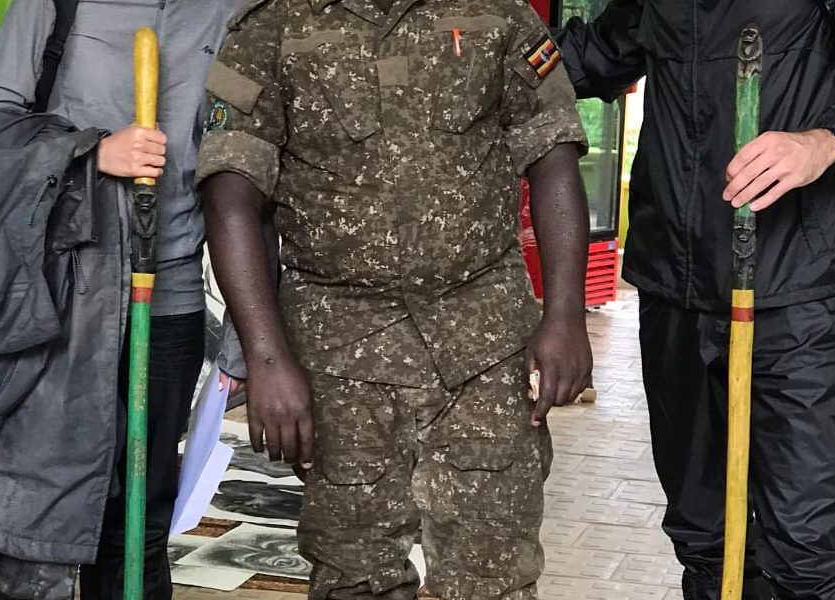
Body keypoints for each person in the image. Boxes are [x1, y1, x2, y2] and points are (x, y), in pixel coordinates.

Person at [554, 2, 835, 599]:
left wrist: (827, 139)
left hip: (798, 288)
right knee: (702, 534)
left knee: (807, 547)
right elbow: (592, 56)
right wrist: (475, 38)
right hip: (675, 287)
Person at [197, 0, 593, 598]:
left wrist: (565, 317)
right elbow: (230, 197)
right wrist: (268, 361)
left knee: (495, 577)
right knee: (354, 578)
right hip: (339, 360)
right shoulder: (270, 27)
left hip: (484, 347)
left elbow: (554, 158)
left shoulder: (498, 15)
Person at [0, 1, 250, 597]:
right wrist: (91, 152)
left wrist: (246, 337)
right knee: (38, 511)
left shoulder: (229, 11)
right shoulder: (54, 3)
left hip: (171, 299)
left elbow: (252, 169)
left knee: (141, 515)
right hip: (62, 298)